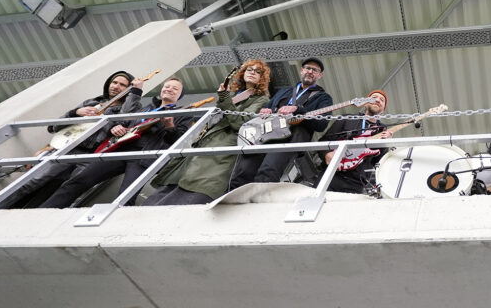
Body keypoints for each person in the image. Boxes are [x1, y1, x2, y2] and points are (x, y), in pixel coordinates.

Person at [41, 77, 194, 208]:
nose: (169, 89)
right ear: (161, 90)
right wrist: (116, 127)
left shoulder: (183, 114)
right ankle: (45, 211)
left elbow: (176, 141)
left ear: (180, 95)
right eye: (167, 86)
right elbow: (125, 123)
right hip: (121, 149)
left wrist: (169, 126)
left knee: (126, 196)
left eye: (175, 88)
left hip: (143, 157)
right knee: (78, 181)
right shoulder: (147, 108)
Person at [0, 71, 134, 209]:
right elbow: (54, 127)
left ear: (129, 89)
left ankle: (37, 218)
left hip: (93, 156)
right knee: (34, 181)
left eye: (122, 85)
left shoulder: (129, 108)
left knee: (66, 191)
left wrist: (135, 94)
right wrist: (75, 113)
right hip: (68, 148)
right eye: (114, 82)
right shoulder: (92, 102)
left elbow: (126, 120)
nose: (116, 86)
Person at [143, 60, 271, 206]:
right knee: (171, 188)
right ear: (242, 74)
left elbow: (240, 122)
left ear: (262, 78)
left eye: (257, 71)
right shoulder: (236, 94)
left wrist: (224, 97)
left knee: (195, 190)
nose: (252, 72)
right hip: (203, 147)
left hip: (221, 150)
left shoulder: (261, 99)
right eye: (249, 69)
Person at [229, 58, 334, 187]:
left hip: (291, 138)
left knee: (268, 171)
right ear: (301, 70)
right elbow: (268, 106)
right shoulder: (285, 90)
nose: (310, 71)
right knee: (243, 171)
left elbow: (321, 125)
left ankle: (259, 204)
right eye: (307, 68)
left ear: (320, 75)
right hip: (266, 134)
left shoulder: (323, 97)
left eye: (315, 70)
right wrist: (266, 109)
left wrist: (298, 110)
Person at [317, 90, 393, 194]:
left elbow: (378, 162)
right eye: (374, 97)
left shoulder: (382, 131)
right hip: (330, 174)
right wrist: (326, 154)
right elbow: (324, 141)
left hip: (355, 183)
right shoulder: (346, 119)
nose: (378, 100)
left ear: (383, 110)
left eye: (382, 100)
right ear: (365, 103)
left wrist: (385, 144)